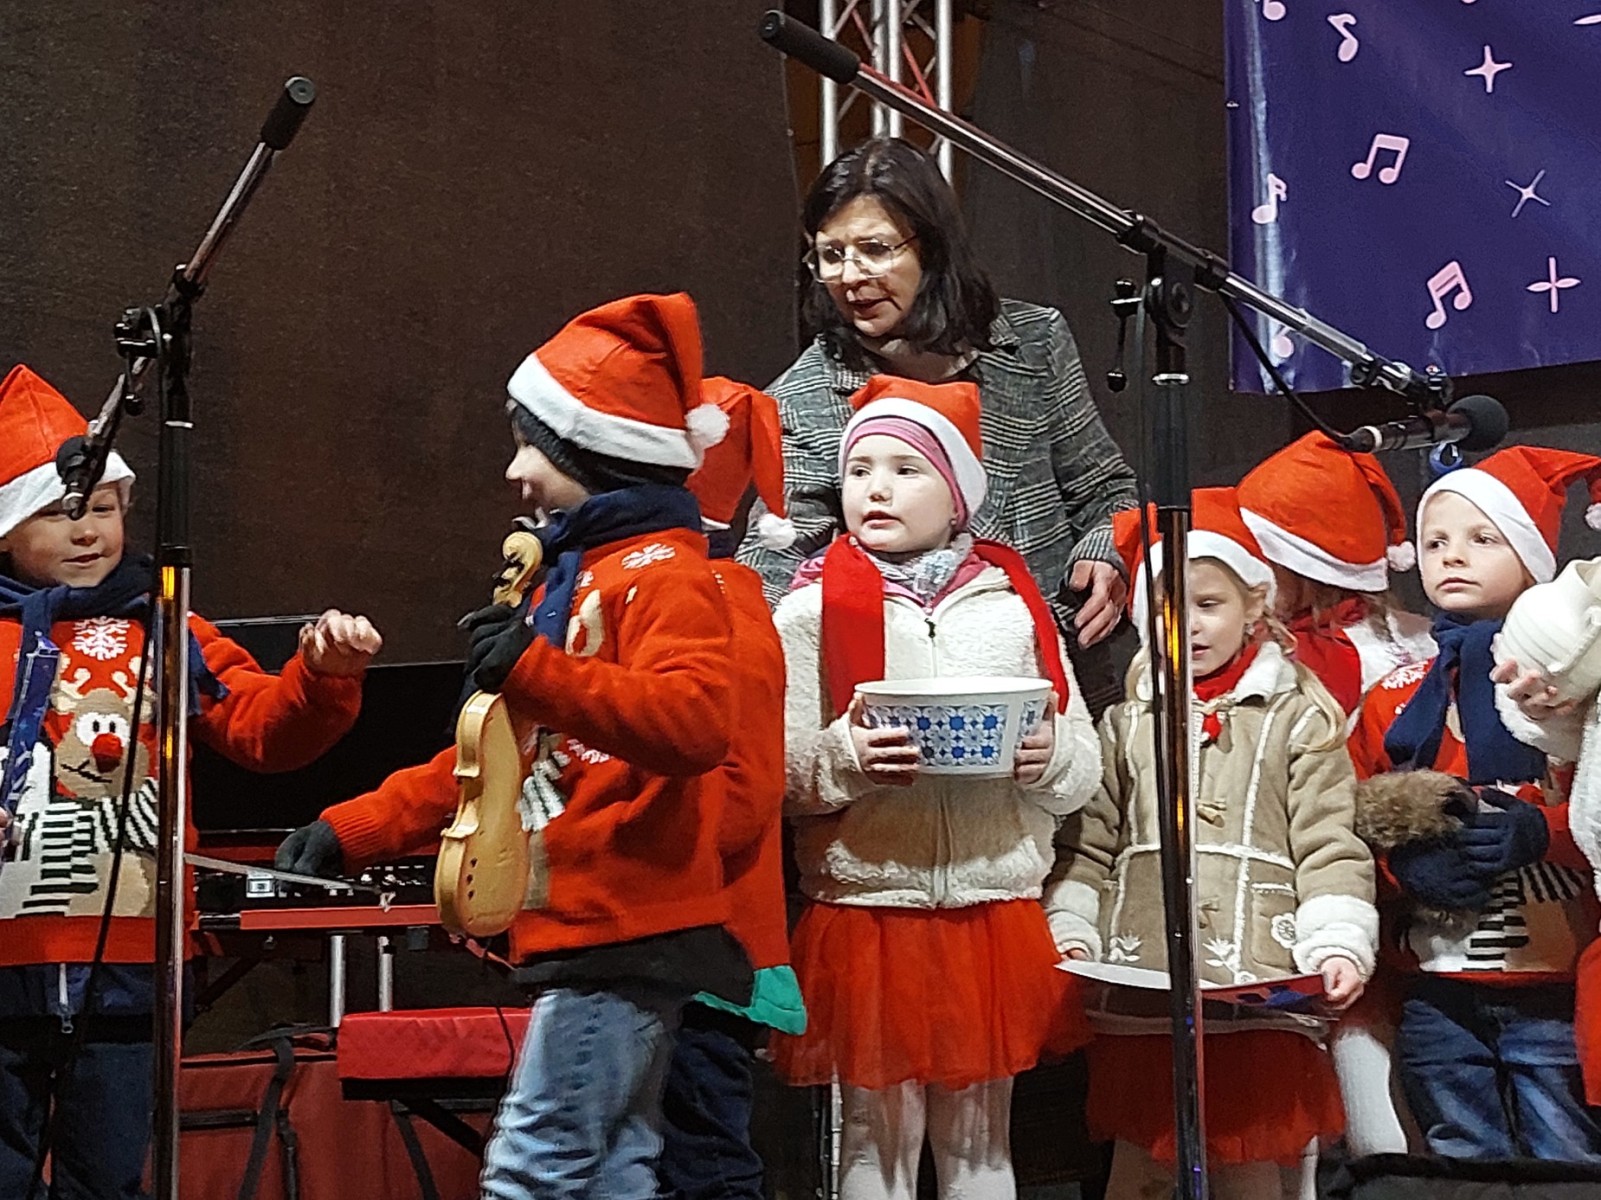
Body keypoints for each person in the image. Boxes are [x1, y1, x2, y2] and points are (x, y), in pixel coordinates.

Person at [276, 293, 752, 1200]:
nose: (514, 470)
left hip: (621, 930)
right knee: (612, 1170)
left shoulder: (666, 578)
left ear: (592, 455)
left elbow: (694, 723)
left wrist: (536, 669)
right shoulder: (566, 582)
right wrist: (355, 829)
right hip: (584, 926)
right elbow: (494, 756)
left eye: (532, 446)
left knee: (532, 1167)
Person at [0, 363, 379, 1199]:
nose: (87, 531)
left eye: (102, 508)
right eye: (59, 513)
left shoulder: (172, 628)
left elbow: (261, 730)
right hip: (6, 952)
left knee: (109, 1176)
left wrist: (321, 679)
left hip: (131, 959)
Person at [772, 374, 1101, 1200]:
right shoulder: (806, 612)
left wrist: (1048, 758)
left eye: (905, 469)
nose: (875, 489)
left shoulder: (1015, 607)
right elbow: (775, 770)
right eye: (858, 470)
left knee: (981, 1143)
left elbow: (1082, 760)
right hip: (869, 908)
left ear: (957, 496)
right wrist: (845, 755)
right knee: (872, 1142)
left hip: (990, 908)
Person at [1047, 488, 1376, 1200]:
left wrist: (1337, 940)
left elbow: (1329, 844)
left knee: (1248, 1164)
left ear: (1253, 606)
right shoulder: (1126, 724)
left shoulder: (1299, 719)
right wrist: (1072, 926)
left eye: (1208, 604)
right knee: (1142, 1166)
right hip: (1145, 986)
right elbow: (1090, 844)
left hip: (1256, 983)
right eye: (1169, 607)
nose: (1188, 624)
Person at [737, 136, 1139, 712]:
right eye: (830, 254)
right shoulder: (805, 394)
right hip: (908, 692)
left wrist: (1106, 551)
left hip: (1059, 674)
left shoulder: (1033, 343)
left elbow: (1105, 488)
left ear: (932, 246)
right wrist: (747, 651)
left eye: (875, 249)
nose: (850, 276)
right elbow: (775, 549)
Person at [1347, 447, 1601, 1161]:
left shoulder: (1573, 694)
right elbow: (1349, 827)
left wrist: (1541, 833)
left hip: (1551, 975)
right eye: (1434, 542)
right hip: (1436, 981)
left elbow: (1596, 814)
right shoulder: (1395, 699)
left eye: (1482, 538)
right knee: (1460, 1151)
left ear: (1532, 558)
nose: (1451, 556)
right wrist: (1402, 870)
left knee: (1567, 1154)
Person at [1236, 431, 1436, 1157]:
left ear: (1302, 562)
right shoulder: (1400, 635)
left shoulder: (1348, 655)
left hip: (1363, 884)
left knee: (1365, 1056)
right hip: (1326, 889)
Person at [656, 376, 804, 1200]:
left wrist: (616, 844)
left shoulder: (729, 615)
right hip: (654, 939)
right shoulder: (654, 597)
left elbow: (744, 794)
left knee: (705, 1160)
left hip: (708, 945)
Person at [1236, 431, 1435, 717]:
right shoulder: (1238, 641)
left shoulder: (1404, 647)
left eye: (1261, 557)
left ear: (1309, 571)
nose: (1247, 573)